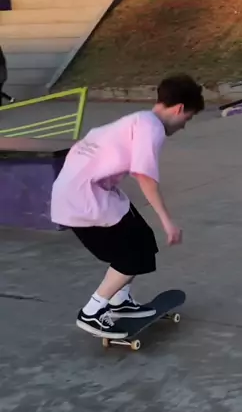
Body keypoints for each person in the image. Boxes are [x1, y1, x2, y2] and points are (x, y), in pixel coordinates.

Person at [50, 74, 205, 339]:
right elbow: (144, 176)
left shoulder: (137, 120)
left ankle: (119, 301)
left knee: (142, 239)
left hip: (83, 192)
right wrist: (167, 221)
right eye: (187, 119)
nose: (183, 126)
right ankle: (92, 312)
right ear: (179, 108)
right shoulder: (151, 127)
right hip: (84, 199)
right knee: (133, 256)